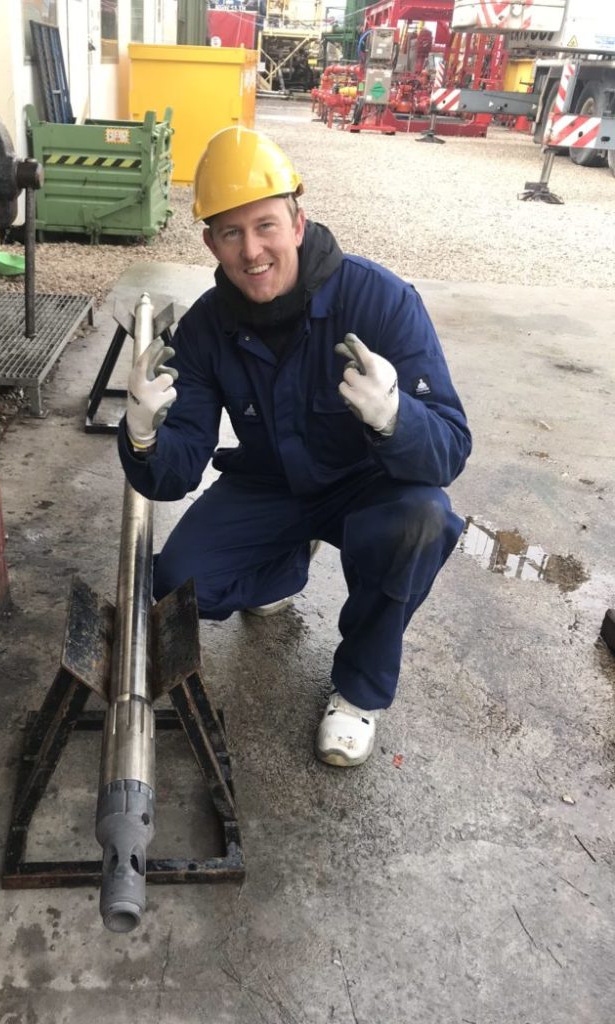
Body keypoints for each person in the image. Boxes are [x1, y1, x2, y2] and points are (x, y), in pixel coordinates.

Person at [118, 126, 470, 768]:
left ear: (298, 221)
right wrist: (143, 435)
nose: (252, 250)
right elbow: (176, 472)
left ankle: (358, 691)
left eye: (266, 225)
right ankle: (283, 565)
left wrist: (396, 417)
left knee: (421, 521)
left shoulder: (380, 300)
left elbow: (449, 447)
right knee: (177, 585)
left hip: (368, 487)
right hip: (271, 485)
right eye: (231, 232)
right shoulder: (204, 331)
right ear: (210, 243)